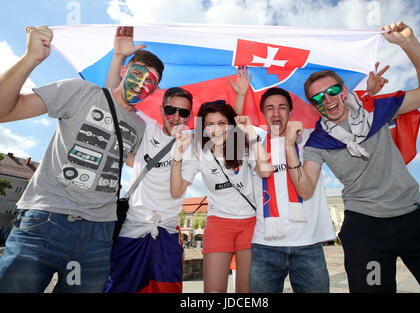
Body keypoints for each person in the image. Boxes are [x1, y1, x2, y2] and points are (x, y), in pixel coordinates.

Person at [0, 26, 164, 292]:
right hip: (45, 220)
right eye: (138, 74)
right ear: (124, 71)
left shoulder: (139, 126)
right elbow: (3, 110)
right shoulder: (78, 91)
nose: (142, 84)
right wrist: (30, 58)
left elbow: (129, 150)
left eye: (150, 82)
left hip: (98, 235)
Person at [296, 21, 420, 293]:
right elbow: (306, 189)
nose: (327, 100)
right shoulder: (317, 142)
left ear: (343, 91)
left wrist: (408, 43)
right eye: (318, 98)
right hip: (366, 229)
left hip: (416, 215)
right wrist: (287, 146)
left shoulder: (378, 109)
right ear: (313, 106)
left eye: (332, 92)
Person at [231, 64, 389, 293]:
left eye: (282, 108)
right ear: (263, 113)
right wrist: (240, 96)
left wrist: (369, 93)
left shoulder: (311, 137)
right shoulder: (255, 141)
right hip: (266, 246)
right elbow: (237, 131)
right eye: (270, 108)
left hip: (308, 244)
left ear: (291, 112)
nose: (276, 113)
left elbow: (343, 113)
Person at [102, 27, 194, 293]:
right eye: (170, 110)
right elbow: (113, 103)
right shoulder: (145, 127)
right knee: (120, 288)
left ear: (189, 115)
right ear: (162, 108)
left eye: (183, 112)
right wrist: (118, 57)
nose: (176, 117)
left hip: (166, 232)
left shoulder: (192, 145)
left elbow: (226, 127)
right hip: (133, 228)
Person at [170, 100, 272, 293]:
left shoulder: (243, 146)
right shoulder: (199, 152)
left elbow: (265, 172)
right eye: (210, 124)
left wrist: (251, 134)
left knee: (246, 291)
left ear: (231, 126)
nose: (216, 129)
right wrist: (177, 155)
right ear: (203, 128)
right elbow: (176, 191)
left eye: (222, 123)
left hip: (250, 223)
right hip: (219, 223)